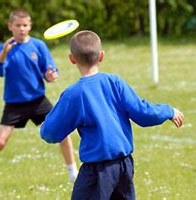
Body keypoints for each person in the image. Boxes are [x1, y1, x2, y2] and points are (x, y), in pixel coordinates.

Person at [40, 30, 184, 200]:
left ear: (72, 59)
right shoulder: (115, 82)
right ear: (101, 56)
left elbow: (50, 133)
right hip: (124, 165)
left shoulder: (74, 94)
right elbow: (143, 113)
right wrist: (168, 111)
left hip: (97, 170)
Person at [0, 9, 78, 194]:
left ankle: (72, 172)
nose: (21, 29)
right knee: (0, 141)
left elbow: (49, 72)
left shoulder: (38, 46)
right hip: (14, 104)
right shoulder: (5, 48)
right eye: (17, 25)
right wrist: (3, 54)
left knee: (62, 131)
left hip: (37, 101)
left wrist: (51, 75)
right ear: (9, 26)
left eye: (25, 25)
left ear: (30, 26)